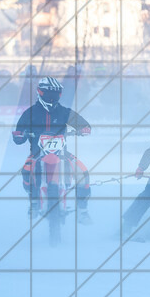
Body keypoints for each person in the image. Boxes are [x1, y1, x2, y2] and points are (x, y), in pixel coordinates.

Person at [12, 76, 93, 222]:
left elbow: (84, 124)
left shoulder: (64, 112)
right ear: (40, 92)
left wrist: (84, 129)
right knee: (26, 172)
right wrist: (19, 135)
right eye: (49, 93)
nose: (52, 97)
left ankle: (83, 211)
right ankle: (34, 202)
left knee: (83, 172)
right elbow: (19, 134)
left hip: (62, 154)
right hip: (37, 153)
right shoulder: (30, 113)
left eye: (56, 93)